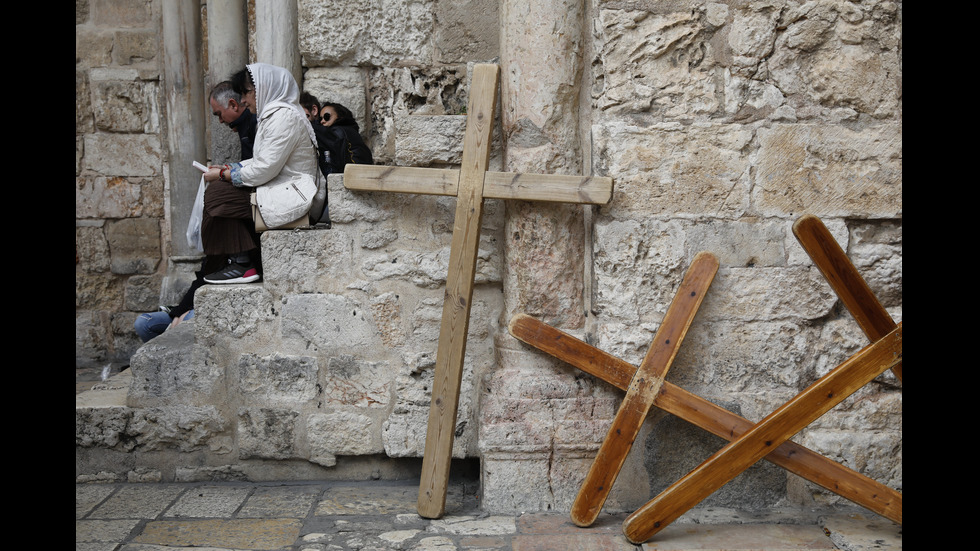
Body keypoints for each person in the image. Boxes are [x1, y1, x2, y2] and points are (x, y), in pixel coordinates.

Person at [134, 81, 260, 343]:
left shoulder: (256, 124)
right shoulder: (216, 235)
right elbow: (203, 276)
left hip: (213, 305)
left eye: (218, 114)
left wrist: (225, 174)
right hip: (198, 300)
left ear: (235, 104)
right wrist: (179, 311)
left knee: (214, 192)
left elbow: (262, 168)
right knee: (145, 323)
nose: (220, 121)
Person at [201, 63, 319, 284]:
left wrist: (224, 176)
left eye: (246, 92)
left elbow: (264, 169)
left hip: (295, 195)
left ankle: (241, 263)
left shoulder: (284, 118)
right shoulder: (275, 116)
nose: (244, 100)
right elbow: (262, 161)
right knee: (218, 194)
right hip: (280, 187)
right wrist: (229, 169)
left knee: (218, 195)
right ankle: (237, 261)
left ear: (264, 87)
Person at [316, 102, 374, 175]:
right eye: (320, 119)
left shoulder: (340, 131)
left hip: (354, 174)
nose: (322, 121)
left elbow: (326, 135)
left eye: (327, 117)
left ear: (339, 116)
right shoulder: (349, 130)